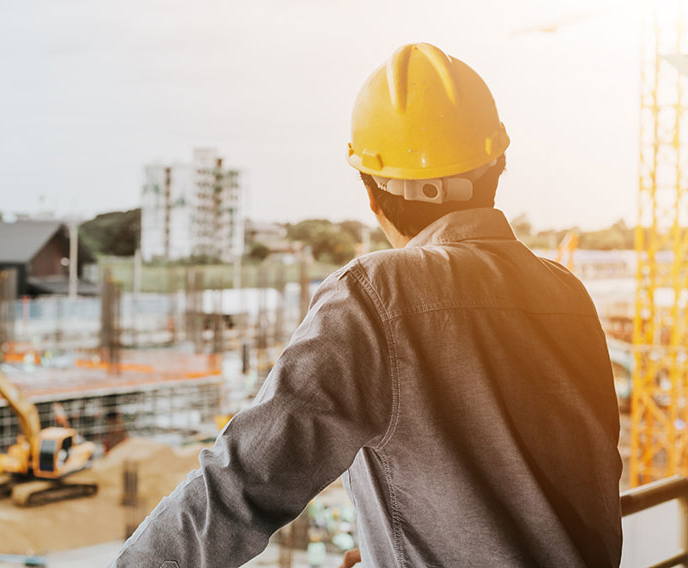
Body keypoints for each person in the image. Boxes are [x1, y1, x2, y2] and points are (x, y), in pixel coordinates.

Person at [111, 42, 622, 567]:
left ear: (373, 196)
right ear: (498, 166)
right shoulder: (568, 295)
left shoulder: (377, 295)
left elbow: (242, 486)